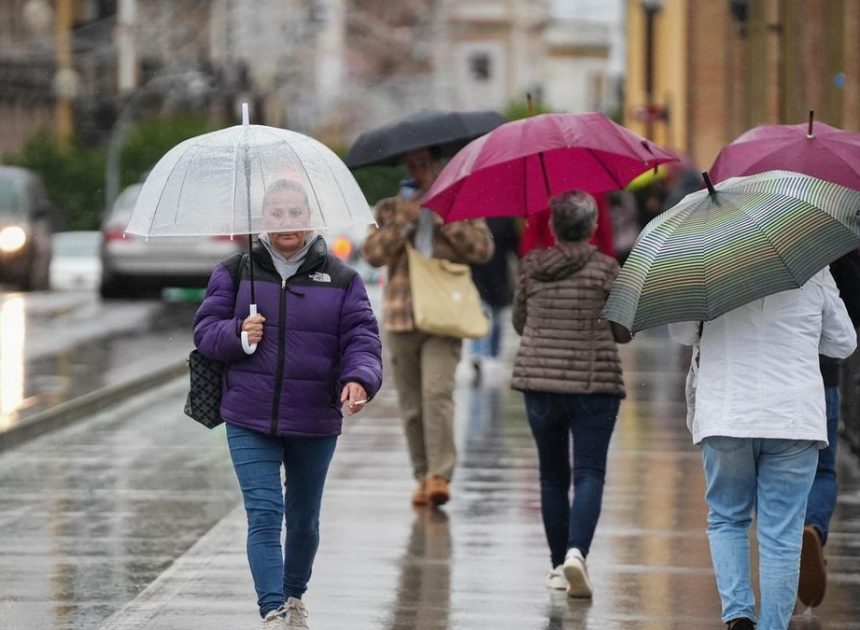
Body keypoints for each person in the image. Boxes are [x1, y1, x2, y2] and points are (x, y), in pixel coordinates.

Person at [193, 179, 383, 629]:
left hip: (313, 416)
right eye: (276, 213)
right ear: (263, 220)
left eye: (295, 212)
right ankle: (273, 609)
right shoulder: (234, 272)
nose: (286, 222)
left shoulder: (342, 279)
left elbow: (363, 338)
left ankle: (294, 594)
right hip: (248, 414)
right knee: (264, 512)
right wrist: (238, 333)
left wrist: (360, 378)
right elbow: (205, 332)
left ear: (310, 218)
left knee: (303, 520)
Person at [669, 267, 856, 630]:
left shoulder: (705, 266)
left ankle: (738, 615)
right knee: (782, 534)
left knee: (727, 518)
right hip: (793, 416)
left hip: (727, 412)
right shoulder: (812, 269)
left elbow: (683, 333)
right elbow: (843, 342)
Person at [510, 191, 630, 598]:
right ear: (593, 228)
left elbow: (520, 323)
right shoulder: (607, 269)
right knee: (589, 473)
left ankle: (558, 566)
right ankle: (577, 552)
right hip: (594, 386)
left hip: (540, 383)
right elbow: (622, 331)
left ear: (553, 227)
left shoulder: (532, 267)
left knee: (552, 476)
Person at [362, 146, 493, 507]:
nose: (417, 170)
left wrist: (443, 219)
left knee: (437, 394)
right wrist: (402, 223)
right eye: (411, 164)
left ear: (438, 165)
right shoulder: (388, 208)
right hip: (402, 314)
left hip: (444, 315)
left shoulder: (459, 202)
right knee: (411, 404)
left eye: (424, 164)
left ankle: (439, 475)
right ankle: (422, 476)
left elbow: (482, 249)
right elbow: (372, 254)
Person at [799, 248, 860, 608]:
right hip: (823, 376)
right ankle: (814, 527)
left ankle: (784, 547)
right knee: (822, 470)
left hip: (773, 381)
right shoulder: (833, 243)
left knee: (772, 472)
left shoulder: (752, 245)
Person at [469, 216, 520, 384]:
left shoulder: (505, 219)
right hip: (479, 276)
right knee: (481, 315)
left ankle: (492, 355)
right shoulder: (473, 219)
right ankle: (478, 354)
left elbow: (514, 245)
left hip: (498, 276)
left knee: (496, 318)